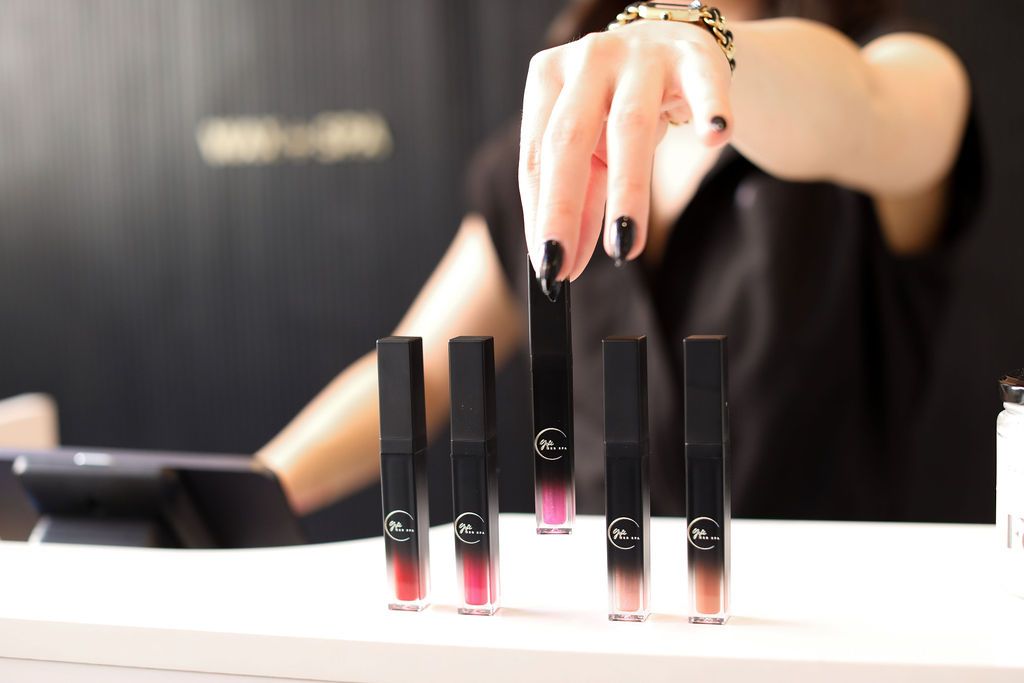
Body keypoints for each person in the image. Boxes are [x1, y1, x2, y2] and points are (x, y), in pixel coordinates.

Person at [257, 0, 978, 521]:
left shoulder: (899, 63)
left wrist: (698, 40)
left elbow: (870, 104)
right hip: (607, 617)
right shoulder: (554, 142)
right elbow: (423, 373)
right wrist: (250, 489)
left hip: (822, 626)